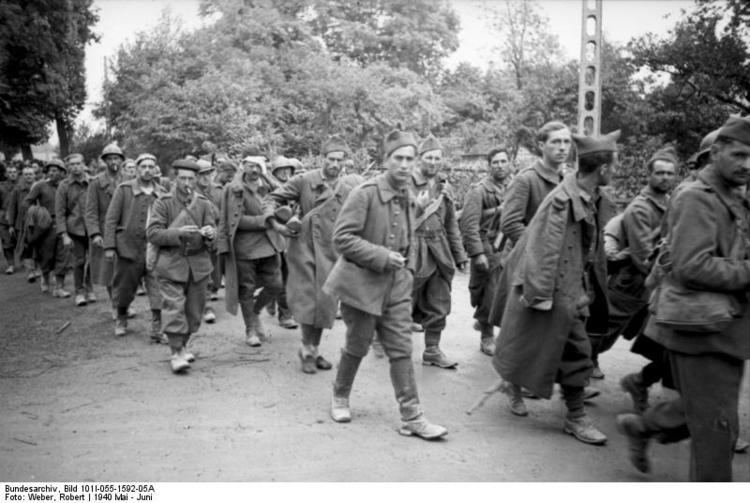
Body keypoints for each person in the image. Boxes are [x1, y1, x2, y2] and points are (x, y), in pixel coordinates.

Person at [616, 116, 750, 481]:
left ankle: (642, 428)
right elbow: (693, 266)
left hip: (725, 327)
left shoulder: (734, 195)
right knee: (717, 433)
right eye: (739, 154)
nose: (747, 164)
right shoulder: (695, 197)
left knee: (702, 413)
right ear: (716, 153)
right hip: (701, 330)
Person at [492, 131, 620, 445]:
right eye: (614, 165)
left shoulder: (585, 194)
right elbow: (544, 248)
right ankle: (575, 416)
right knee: (573, 348)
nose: (615, 171)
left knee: (556, 346)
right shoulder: (564, 199)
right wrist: (540, 295)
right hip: (556, 285)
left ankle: (525, 388)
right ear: (602, 169)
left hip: (571, 283)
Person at [323, 130, 448, 440]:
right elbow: (342, 238)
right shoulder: (364, 193)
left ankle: (412, 417)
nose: (405, 165)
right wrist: (380, 255)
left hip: (396, 287)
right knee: (358, 344)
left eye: (410, 159)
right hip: (360, 286)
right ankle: (340, 396)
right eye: (399, 158)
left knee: (401, 349)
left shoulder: (407, 195)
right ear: (386, 160)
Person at [264, 138, 363, 374]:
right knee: (309, 301)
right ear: (322, 159)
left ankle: (313, 348)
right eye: (331, 159)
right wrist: (277, 225)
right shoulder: (304, 180)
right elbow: (270, 199)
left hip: (332, 251)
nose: (335, 164)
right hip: (304, 248)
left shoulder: (348, 189)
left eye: (339, 160)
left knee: (326, 304)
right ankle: (308, 349)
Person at [608, 147, 677, 397]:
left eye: (670, 173)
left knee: (663, 345)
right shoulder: (640, 207)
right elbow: (641, 256)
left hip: (653, 284)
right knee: (601, 336)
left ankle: (640, 382)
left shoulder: (669, 202)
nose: (665, 178)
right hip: (633, 284)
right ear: (648, 175)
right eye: (659, 173)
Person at [147, 159, 216, 373]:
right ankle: (176, 352)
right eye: (182, 178)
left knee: (194, 312)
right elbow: (152, 233)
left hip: (198, 265)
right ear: (175, 179)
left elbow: (213, 228)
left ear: (196, 180)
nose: (187, 182)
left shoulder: (203, 203)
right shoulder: (163, 202)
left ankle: (183, 345)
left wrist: (210, 234)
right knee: (174, 308)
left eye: (191, 178)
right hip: (171, 264)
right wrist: (178, 233)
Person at [409, 135, 467, 368]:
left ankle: (432, 350)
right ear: (419, 159)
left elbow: (451, 224)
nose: (433, 162)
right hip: (412, 248)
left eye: (437, 158)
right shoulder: (405, 184)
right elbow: (392, 220)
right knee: (400, 298)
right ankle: (385, 336)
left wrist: (460, 254)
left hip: (439, 250)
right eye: (429, 157)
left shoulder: (445, 188)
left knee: (440, 301)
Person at [217, 153, 284, 347]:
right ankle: (250, 329)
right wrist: (265, 221)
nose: (254, 170)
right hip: (245, 247)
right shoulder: (233, 189)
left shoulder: (268, 187)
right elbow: (234, 220)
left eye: (258, 166)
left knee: (276, 284)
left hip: (269, 244)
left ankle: (255, 312)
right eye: (250, 166)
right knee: (245, 288)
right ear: (243, 166)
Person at [104, 153, 166, 340]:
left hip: (155, 247)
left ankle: (157, 327)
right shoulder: (124, 190)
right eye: (143, 166)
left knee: (157, 287)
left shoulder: (162, 192)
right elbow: (111, 219)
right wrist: (109, 246)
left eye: (150, 166)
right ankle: (121, 318)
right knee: (124, 287)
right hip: (128, 247)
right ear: (137, 169)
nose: (147, 170)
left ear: (155, 169)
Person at [459, 147, 513, 355]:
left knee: (510, 291)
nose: (499, 166)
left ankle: (490, 325)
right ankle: (487, 336)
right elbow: (469, 224)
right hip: (488, 244)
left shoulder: (516, 186)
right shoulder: (479, 190)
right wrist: (477, 253)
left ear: (510, 164)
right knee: (489, 291)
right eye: (495, 162)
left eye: (503, 161)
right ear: (489, 166)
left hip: (510, 244)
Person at [86, 143, 126, 315]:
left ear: (121, 160)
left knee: (126, 271)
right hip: (104, 231)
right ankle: (115, 305)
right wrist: (95, 233)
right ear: (104, 161)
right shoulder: (95, 183)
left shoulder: (128, 180)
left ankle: (124, 303)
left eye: (116, 158)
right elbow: (91, 211)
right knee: (109, 271)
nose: (113, 161)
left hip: (126, 231)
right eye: (109, 158)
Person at [24, 159, 71, 296]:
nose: (52, 173)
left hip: (63, 224)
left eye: (55, 170)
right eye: (50, 170)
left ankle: (59, 287)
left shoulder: (67, 186)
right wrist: (37, 213)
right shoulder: (40, 186)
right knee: (46, 255)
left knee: (62, 255)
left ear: (62, 172)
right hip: (46, 226)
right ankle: (45, 279)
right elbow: (26, 203)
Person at [263, 155, 299, 330]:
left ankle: (277, 303)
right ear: (275, 172)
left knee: (292, 276)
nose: (285, 173)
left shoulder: (295, 187)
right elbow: (266, 208)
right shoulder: (269, 188)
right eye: (281, 170)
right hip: (276, 235)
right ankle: (285, 314)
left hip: (294, 235)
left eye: (288, 169)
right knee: (281, 276)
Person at [55, 153, 94, 306]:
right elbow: (59, 212)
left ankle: (90, 288)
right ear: (68, 167)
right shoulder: (64, 186)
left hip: (92, 228)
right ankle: (79, 292)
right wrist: (64, 234)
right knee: (79, 261)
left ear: (84, 164)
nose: (76, 167)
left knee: (93, 260)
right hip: (74, 229)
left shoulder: (93, 182)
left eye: (78, 163)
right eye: (72, 164)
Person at [195, 160, 223, 323]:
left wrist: (219, 234)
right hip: (197, 237)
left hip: (216, 237)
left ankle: (204, 298)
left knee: (214, 273)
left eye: (208, 173)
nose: (206, 177)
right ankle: (206, 307)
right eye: (202, 174)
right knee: (202, 274)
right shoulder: (189, 191)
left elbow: (224, 215)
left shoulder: (218, 191)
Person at [6, 165, 37, 280]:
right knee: (26, 247)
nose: (28, 176)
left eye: (30, 174)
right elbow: (12, 207)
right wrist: (11, 225)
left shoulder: (39, 187)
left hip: (38, 222)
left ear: (34, 175)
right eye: (26, 174)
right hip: (22, 223)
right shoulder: (17, 190)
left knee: (38, 246)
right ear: (23, 176)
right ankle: (30, 271)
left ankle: (38, 268)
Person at [0, 163, 18, 273]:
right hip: (4, 219)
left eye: (14, 172)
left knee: (24, 242)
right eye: (10, 172)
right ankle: (10, 264)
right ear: (6, 174)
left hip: (19, 218)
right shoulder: (1, 187)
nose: (12, 174)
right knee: (6, 242)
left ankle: (31, 266)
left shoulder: (22, 185)